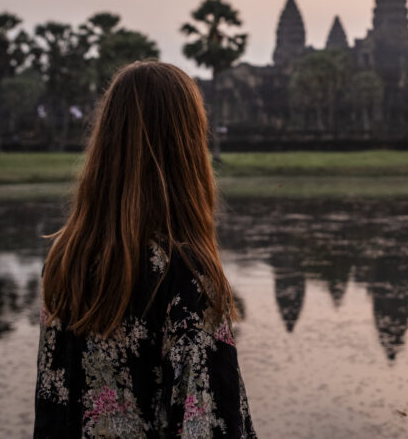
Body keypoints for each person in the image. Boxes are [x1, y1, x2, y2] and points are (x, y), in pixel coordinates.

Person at [34, 61, 256, 438]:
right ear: (185, 147)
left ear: (106, 143)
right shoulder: (187, 274)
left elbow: (52, 406)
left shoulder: (66, 260)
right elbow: (208, 423)